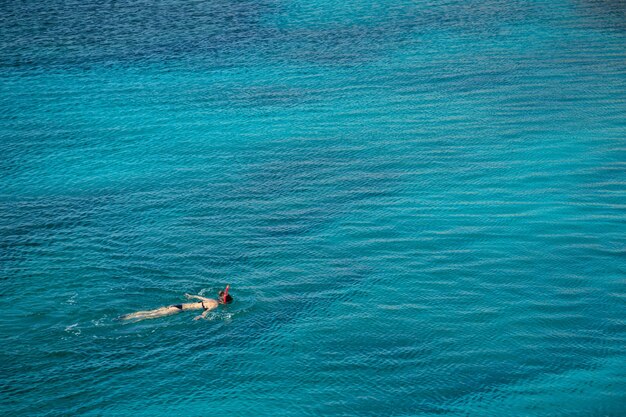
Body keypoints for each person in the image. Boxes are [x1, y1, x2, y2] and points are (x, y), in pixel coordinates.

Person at [122, 285, 232, 321]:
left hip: (178, 305)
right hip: (179, 309)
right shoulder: (215, 305)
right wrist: (200, 316)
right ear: (225, 303)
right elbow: (206, 312)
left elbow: (199, 297)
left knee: (150, 312)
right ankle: (127, 319)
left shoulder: (211, 300)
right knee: (151, 316)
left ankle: (127, 315)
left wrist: (191, 296)